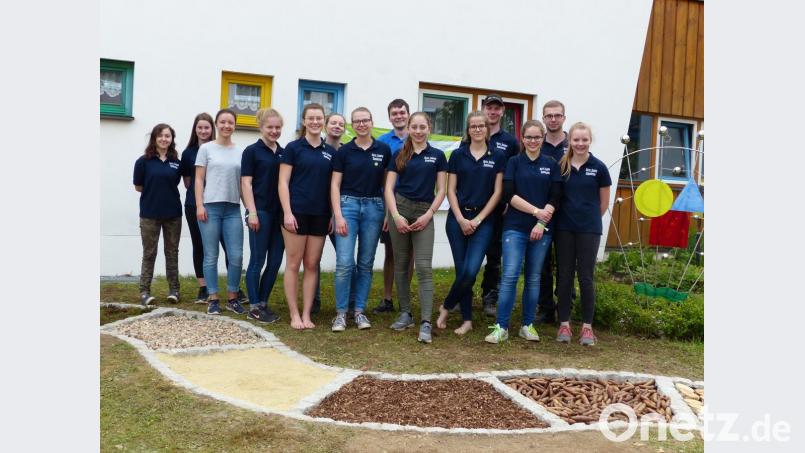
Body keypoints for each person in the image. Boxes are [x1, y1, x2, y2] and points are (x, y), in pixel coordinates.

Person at [485, 120, 561, 344]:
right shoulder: (514, 162)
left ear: (543, 138)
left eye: (537, 137)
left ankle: (527, 325)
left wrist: (541, 223)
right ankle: (501, 327)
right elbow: (509, 194)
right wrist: (536, 212)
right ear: (522, 138)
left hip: (542, 230)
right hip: (515, 227)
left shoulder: (551, 164)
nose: (533, 141)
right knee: (509, 276)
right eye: (529, 137)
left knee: (534, 278)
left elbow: (556, 196)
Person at [436, 112, 504, 335]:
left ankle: (446, 306)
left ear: (487, 129)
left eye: (481, 126)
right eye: (473, 126)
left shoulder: (497, 156)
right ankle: (467, 320)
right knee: (461, 271)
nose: (477, 129)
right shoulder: (458, 155)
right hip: (457, 220)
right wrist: (460, 218)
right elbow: (450, 190)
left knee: (471, 270)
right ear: (468, 130)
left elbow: (497, 193)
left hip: (483, 221)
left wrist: (477, 219)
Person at [385, 112, 447, 343]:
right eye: (415, 127)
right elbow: (388, 188)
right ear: (409, 129)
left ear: (429, 128)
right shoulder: (399, 154)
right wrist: (395, 216)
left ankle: (426, 322)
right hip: (400, 210)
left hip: (424, 212)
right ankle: (405, 314)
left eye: (423, 127)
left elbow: (442, 190)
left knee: (423, 267)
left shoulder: (437, 155)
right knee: (401, 264)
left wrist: (429, 214)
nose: (418, 131)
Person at [330, 107, 391, 331]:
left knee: (365, 263)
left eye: (365, 120)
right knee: (344, 263)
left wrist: (387, 213)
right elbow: (335, 185)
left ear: (372, 122)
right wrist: (338, 215)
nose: (362, 124)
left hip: (374, 208)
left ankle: (359, 312)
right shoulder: (344, 151)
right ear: (352, 125)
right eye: (357, 121)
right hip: (348, 206)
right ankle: (341, 313)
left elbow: (387, 186)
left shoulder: (383, 150)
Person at [278, 103, 337, 329]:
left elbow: (332, 187)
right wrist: (287, 212)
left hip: (320, 214)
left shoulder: (330, 152)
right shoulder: (293, 148)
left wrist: (332, 214)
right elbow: (283, 182)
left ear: (323, 121)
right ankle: (294, 314)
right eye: (310, 118)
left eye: (319, 118)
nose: (315, 122)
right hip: (296, 213)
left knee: (312, 264)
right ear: (303, 121)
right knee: (293, 263)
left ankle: (306, 314)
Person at [554, 122, 612, 346]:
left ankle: (587, 327)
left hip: (589, 229)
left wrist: (586, 219)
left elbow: (603, 203)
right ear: (569, 141)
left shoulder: (599, 168)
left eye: (584, 139)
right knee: (565, 275)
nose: (580, 143)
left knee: (586, 277)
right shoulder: (561, 166)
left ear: (590, 140)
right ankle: (564, 324)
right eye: (576, 140)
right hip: (564, 229)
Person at [180, 113, 247, 304]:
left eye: (230, 122)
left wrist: (250, 209)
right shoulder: (206, 149)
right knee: (210, 255)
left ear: (235, 125)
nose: (226, 125)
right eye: (222, 122)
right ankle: (213, 297)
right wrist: (199, 205)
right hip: (210, 208)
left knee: (236, 256)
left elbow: (243, 183)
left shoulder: (240, 151)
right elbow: (198, 180)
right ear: (217, 124)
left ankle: (233, 297)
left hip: (233, 209)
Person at [241, 108, 285, 324]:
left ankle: (263, 302)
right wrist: (252, 212)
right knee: (257, 260)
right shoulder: (251, 151)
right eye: (270, 127)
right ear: (261, 127)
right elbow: (246, 183)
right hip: (260, 212)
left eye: (278, 127)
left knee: (275, 261)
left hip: (280, 215)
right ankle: (254, 307)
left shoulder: (284, 152)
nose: (274, 131)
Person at [479, 94, 520, 317]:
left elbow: (515, 174)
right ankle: (462, 295)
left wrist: (508, 202)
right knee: (468, 255)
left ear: (502, 111)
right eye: (489, 107)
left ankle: (489, 297)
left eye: (497, 108)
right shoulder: (473, 134)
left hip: (499, 208)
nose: (492, 112)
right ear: (483, 109)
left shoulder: (511, 142)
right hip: (473, 205)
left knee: (494, 256)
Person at [133, 123, 182, 306]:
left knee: (172, 253)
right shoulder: (143, 162)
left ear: (171, 139)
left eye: (167, 136)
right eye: (160, 135)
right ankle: (144, 292)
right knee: (149, 253)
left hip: (173, 214)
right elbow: (139, 187)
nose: (164, 139)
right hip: (149, 215)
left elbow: (176, 183)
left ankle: (174, 290)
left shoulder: (177, 162)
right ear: (154, 138)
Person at [311, 112, 355, 315]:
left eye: (341, 124)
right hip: (317, 212)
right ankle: (314, 300)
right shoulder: (317, 149)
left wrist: (335, 215)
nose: (337, 126)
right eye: (333, 123)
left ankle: (352, 302)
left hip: (340, 214)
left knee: (347, 260)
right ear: (325, 126)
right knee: (313, 260)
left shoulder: (347, 152)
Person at [373, 98, 414, 314]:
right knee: (391, 253)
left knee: (410, 254)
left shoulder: (417, 137)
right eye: (394, 113)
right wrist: (387, 211)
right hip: (389, 205)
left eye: (402, 112)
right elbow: (379, 177)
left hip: (414, 203)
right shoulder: (382, 142)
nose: (399, 116)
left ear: (408, 114)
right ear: (389, 117)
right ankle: (387, 299)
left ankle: (403, 300)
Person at [535, 100, 569, 325]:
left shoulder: (573, 143)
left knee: (566, 264)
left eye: (557, 115)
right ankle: (545, 308)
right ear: (544, 118)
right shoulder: (538, 143)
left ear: (564, 118)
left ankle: (566, 307)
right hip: (543, 212)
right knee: (542, 263)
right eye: (549, 116)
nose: (553, 119)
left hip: (568, 213)